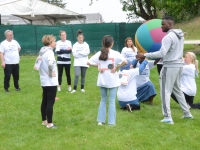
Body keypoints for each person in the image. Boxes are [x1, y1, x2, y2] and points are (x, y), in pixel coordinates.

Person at [136, 16, 193, 124]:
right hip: (178, 65)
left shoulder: (167, 37)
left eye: (163, 24)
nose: (161, 26)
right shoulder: (180, 36)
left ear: (170, 25)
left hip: (169, 66)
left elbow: (162, 53)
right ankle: (187, 113)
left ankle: (167, 117)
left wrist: (144, 55)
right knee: (177, 90)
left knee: (165, 91)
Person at [88, 35, 127, 125]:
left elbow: (88, 62)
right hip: (112, 79)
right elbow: (125, 62)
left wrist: (99, 67)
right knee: (112, 100)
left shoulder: (99, 53)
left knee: (103, 99)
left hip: (102, 79)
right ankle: (111, 122)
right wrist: (117, 67)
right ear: (112, 43)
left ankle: (100, 121)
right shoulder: (116, 53)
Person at [35, 35, 58, 129]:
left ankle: (44, 120)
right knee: (50, 102)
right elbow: (51, 63)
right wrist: (50, 73)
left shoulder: (42, 51)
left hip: (44, 81)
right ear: (49, 43)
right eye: (54, 41)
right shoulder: (50, 52)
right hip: (50, 81)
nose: (55, 42)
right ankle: (50, 123)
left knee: (44, 101)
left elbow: (37, 65)